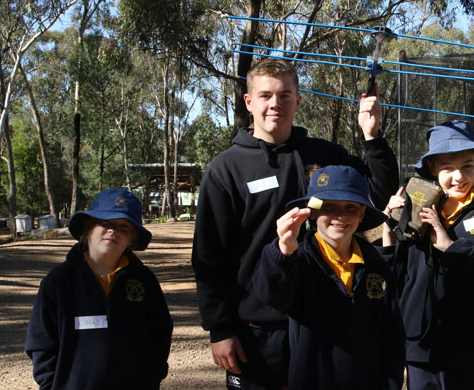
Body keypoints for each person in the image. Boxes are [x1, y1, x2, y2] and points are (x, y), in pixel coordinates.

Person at [191, 58, 398, 390]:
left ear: (298, 100)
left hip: (324, 318)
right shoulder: (225, 170)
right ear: (249, 101)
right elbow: (209, 256)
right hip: (261, 326)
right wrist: (220, 329)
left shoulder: (324, 156)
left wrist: (372, 137)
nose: (276, 104)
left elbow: (377, 191)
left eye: (286, 95)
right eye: (266, 95)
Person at [382, 120, 474, 390]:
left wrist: (450, 246)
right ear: (433, 168)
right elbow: (394, 277)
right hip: (420, 345)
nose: (459, 177)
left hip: (472, 345)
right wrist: (388, 229)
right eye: (447, 168)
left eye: (467, 166)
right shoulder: (415, 208)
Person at [253, 165, 405, 390]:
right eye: (329, 207)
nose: (340, 216)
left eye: (351, 207)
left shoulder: (376, 264)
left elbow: (392, 333)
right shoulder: (299, 260)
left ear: (362, 213)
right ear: (311, 211)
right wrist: (282, 251)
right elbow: (271, 294)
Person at [25, 188, 173, 390]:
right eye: (106, 223)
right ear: (88, 228)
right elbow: (41, 342)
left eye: (124, 226)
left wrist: (152, 375)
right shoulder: (58, 282)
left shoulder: (144, 280)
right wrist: (52, 383)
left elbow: (160, 331)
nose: (113, 231)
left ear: (132, 238)